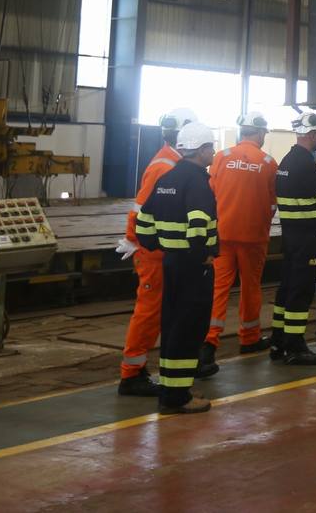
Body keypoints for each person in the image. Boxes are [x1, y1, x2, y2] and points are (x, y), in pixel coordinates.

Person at [134, 122, 218, 415]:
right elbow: (198, 227)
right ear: (202, 150)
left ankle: (171, 388)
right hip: (194, 268)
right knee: (190, 329)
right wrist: (202, 256)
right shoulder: (198, 183)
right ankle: (178, 397)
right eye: (211, 147)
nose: (214, 152)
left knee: (171, 327)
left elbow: (143, 226)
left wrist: (164, 245)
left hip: (171, 262)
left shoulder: (167, 178)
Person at [117, 110, 196, 398]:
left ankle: (138, 369)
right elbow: (141, 208)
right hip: (153, 253)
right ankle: (131, 374)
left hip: (159, 250)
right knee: (149, 312)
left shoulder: (170, 161)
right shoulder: (166, 167)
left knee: (156, 311)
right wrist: (132, 239)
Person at [199, 111, 277, 374]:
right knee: (250, 287)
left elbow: (209, 193)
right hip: (253, 237)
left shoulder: (221, 157)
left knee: (218, 289)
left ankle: (208, 345)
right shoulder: (267, 162)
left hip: (222, 235)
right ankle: (249, 338)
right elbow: (273, 203)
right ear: (259, 133)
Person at [270, 112, 316, 365]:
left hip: (290, 235)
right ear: (313, 135)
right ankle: (295, 346)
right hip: (307, 237)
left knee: (286, 289)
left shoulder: (285, 162)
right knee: (301, 290)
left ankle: (278, 342)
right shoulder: (307, 166)